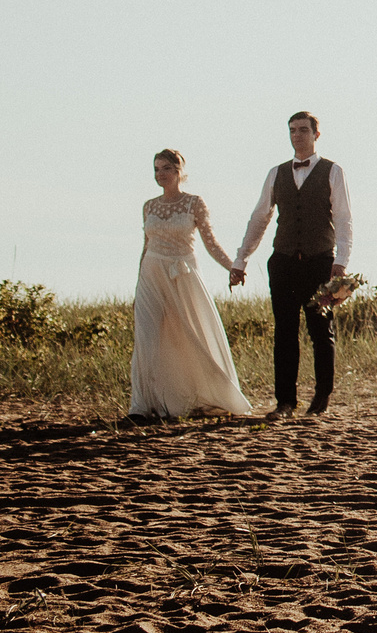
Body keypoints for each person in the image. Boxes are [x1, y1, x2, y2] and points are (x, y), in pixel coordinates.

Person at [231, 110, 353, 418]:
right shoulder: (276, 173)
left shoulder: (332, 171)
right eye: (292, 130)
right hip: (283, 262)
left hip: (320, 263)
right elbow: (259, 218)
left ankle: (321, 397)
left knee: (321, 331)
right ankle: (285, 402)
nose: (296, 135)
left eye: (302, 129)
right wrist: (241, 259)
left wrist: (341, 262)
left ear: (316, 134)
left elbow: (343, 218)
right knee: (284, 333)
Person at [127, 149, 251, 420]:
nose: (161, 174)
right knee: (147, 339)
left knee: (192, 336)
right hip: (151, 273)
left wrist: (233, 266)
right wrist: (138, 284)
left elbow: (210, 242)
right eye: (157, 169)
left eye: (167, 168)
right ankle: (142, 406)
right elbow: (145, 246)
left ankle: (189, 397)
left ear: (179, 171)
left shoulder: (194, 203)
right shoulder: (149, 206)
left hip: (182, 273)